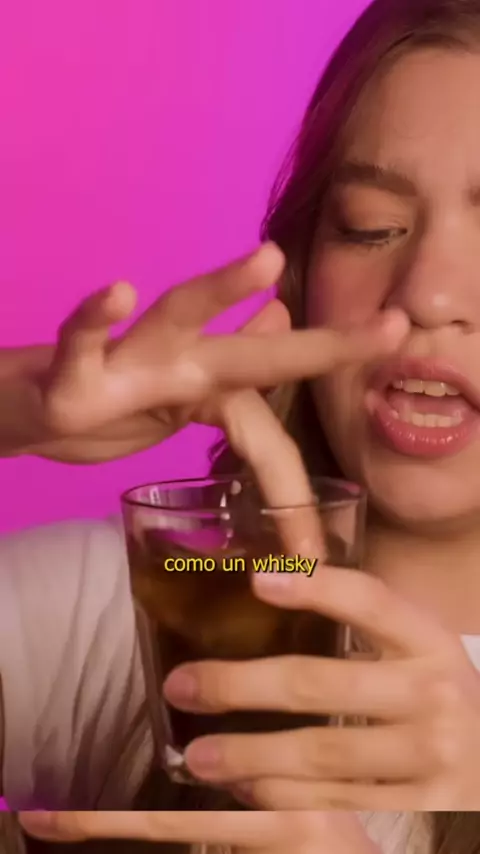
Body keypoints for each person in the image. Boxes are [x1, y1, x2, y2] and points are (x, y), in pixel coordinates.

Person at [4, 0, 480, 851]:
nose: (429, 294)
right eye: (370, 227)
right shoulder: (140, 609)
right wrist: (11, 406)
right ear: (302, 273)